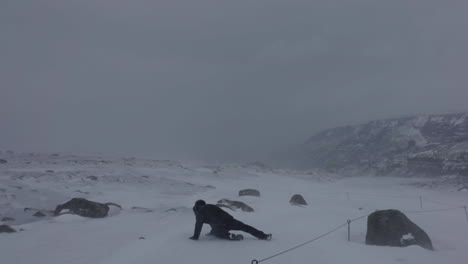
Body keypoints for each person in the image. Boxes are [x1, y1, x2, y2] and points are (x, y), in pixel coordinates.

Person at [189, 199, 271, 241]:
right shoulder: (207, 207)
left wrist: (195, 236)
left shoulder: (201, 211)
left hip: (224, 222)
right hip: (228, 220)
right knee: (245, 227)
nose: (203, 207)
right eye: (201, 206)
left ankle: (228, 235)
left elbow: (199, 224)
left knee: (218, 232)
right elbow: (209, 220)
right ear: (198, 206)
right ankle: (263, 236)